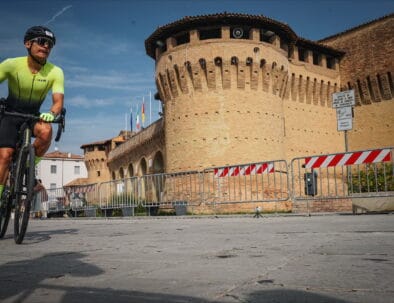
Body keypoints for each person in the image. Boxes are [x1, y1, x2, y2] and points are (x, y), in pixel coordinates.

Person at [0, 26, 64, 200]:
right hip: (10, 114)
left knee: (46, 130)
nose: (46, 47)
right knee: (5, 156)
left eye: (50, 44)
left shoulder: (55, 72)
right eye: (42, 42)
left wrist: (52, 113)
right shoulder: (11, 64)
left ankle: (27, 167)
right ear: (28, 44)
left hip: (33, 116)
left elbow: (58, 102)